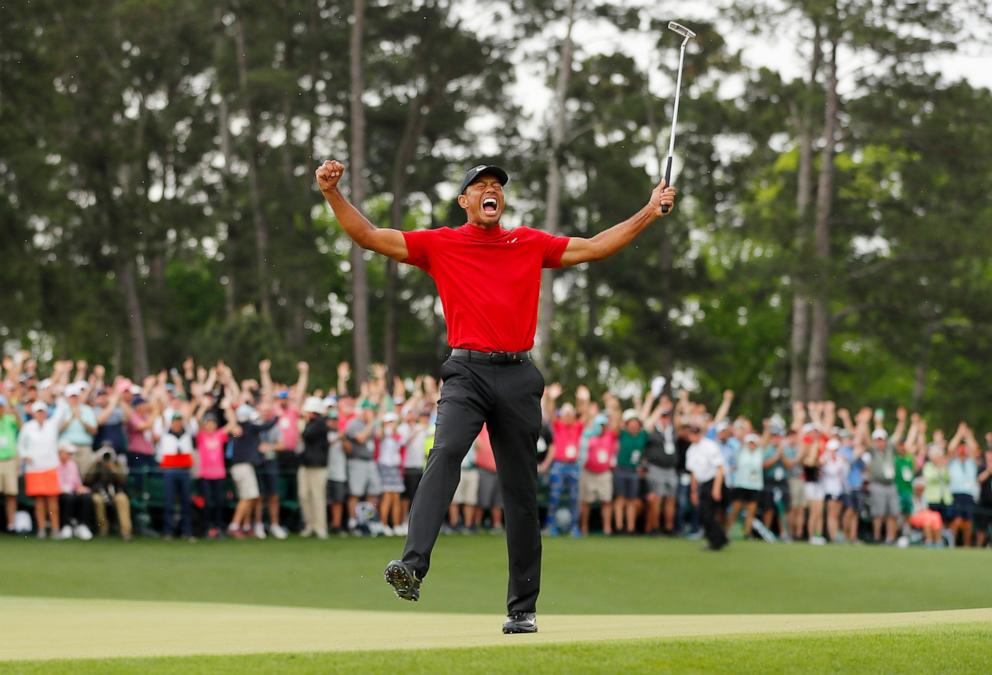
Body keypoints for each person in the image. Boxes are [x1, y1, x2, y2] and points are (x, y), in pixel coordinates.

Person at [316, 158, 676, 633]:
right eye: (480, 186)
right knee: (444, 453)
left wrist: (649, 210)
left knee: (521, 492)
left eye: (497, 187)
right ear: (465, 201)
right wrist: (331, 192)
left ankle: (522, 609)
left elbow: (593, 248)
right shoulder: (440, 243)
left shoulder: (527, 242)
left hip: (519, 375)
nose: (491, 191)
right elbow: (370, 235)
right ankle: (412, 565)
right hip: (466, 372)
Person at [540, 389, 586, 537]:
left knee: (574, 498)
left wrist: (582, 400)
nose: (567, 417)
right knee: (554, 497)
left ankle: (574, 527)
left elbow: (584, 414)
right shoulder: (558, 426)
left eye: (570, 414)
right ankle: (550, 525)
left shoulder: (577, 427)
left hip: (573, 466)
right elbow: (550, 412)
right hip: (559, 465)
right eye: (565, 414)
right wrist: (552, 398)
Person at [18, 401, 64, 538]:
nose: (40, 414)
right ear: (33, 413)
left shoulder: (52, 425)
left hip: (50, 467)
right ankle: (42, 529)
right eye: (38, 411)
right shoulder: (27, 427)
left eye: (42, 411)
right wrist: (25, 456)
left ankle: (55, 529)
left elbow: (61, 411)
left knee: (53, 501)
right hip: (34, 469)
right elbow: (21, 445)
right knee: (39, 501)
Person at [686, 424, 728, 551]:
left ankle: (716, 541)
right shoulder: (691, 450)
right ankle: (720, 538)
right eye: (692, 434)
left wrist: (716, 488)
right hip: (703, 484)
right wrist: (693, 491)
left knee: (707, 514)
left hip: (714, 481)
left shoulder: (709, 446)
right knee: (704, 514)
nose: (694, 436)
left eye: (696, 433)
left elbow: (720, 468)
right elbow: (693, 473)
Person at [156, 408, 197, 541]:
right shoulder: (165, 433)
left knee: (186, 502)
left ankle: (187, 532)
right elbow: (160, 416)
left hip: (184, 470)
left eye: (179, 421)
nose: (177, 424)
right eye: (175, 421)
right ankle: (168, 532)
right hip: (169, 470)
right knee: (169, 502)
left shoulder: (188, 433)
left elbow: (192, 419)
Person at [343, 402, 382, 533]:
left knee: (374, 490)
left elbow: (379, 436)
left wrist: (374, 422)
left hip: (370, 461)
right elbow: (360, 438)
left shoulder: (370, 424)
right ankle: (353, 521)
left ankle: (366, 519)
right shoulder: (354, 424)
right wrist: (371, 422)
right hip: (357, 461)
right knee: (355, 492)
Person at [298, 396, 331, 539]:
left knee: (317, 497)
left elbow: (307, 435)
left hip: (317, 467)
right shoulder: (311, 423)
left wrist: (303, 423)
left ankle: (320, 527)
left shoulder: (320, 423)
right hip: (306, 465)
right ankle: (310, 525)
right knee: (304, 496)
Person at [84, 444, 133, 540]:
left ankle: (126, 531)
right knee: (97, 499)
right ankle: (103, 529)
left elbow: (123, 481)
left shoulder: (117, 465)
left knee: (122, 499)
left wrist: (113, 469)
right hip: (100, 493)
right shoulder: (96, 466)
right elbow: (87, 480)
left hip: (115, 493)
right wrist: (95, 465)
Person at [195, 412, 228, 539]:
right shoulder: (201, 436)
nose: (210, 425)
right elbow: (197, 421)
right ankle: (207, 527)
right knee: (207, 503)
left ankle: (218, 527)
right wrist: (202, 406)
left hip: (219, 474)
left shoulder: (219, 435)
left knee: (219, 502)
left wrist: (227, 407)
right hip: (205, 475)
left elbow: (234, 431)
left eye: (212, 422)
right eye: (208, 422)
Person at [613, 406, 646, 535]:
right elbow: (615, 426)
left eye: (635, 423)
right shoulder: (622, 434)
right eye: (630, 423)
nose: (633, 425)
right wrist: (615, 409)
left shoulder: (643, 435)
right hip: (621, 469)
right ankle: (619, 527)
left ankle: (631, 528)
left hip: (634, 470)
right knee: (620, 498)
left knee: (632, 499)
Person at [726, 433, 764, 539]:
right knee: (735, 509)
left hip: (755, 486)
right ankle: (727, 531)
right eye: (750, 443)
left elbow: (765, 440)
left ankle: (747, 533)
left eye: (753, 443)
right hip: (741, 484)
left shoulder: (759, 452)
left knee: (751, 511)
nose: (751, 445)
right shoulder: (741, 452)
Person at [376, 411, 406, 536]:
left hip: (395, 467)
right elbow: (380, 435)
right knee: (387, 497)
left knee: (396, 498)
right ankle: (384, 525)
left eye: (393, 421)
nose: (391, 424)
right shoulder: (383, 433)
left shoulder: (397, 435)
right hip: (385, 467)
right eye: (389, 422)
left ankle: (396, 525)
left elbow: (401, 441)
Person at [56, 443, 94, 540]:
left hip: (72, 492)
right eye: (68, 453)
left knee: (86, 496)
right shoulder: (53, 464)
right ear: (60, 453)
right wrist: (65, 489)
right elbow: (56, 483)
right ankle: (66, 526)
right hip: (59, 493)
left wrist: (80, 488)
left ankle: (82, 526)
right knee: (68, 498)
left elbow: (77, 483)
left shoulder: (72, 465)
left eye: (71, 454)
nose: (70, 456)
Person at [0, 395, 21, 533]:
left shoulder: (10, 419)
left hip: (10, 461)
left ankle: (11, 525)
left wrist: (15, 410)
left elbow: (21, 426)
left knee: (11, 494)